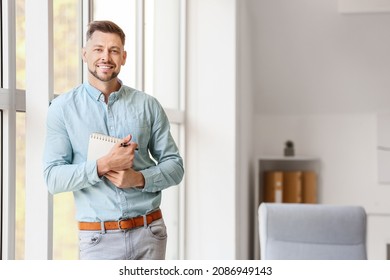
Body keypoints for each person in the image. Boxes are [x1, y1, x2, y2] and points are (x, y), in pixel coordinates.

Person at [43, 20, 184, 260]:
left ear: (124, 57)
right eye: (98, 49)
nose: (105, 57)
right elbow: (53, 178)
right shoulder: (62, 109)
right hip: (98, 241)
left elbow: (175, 167)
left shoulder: (147, 105)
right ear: (84, 54)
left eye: (114, 50)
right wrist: (103, 165)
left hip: (150, 233)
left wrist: (139, 179)